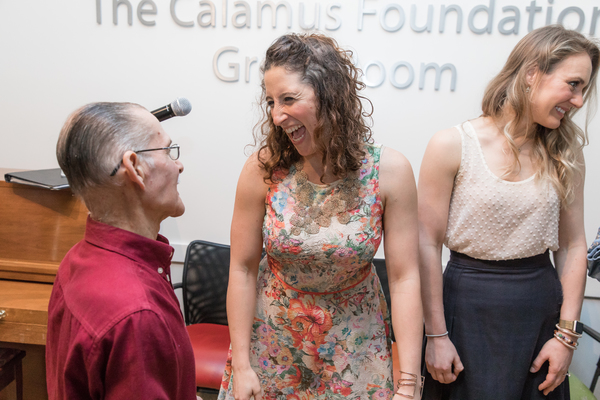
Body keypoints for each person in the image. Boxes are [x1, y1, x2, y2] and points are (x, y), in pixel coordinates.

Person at [218, 33, 423, 400]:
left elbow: (405, 278)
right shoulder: (264, 170)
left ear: (329, 96)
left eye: (289, 99)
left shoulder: (389, 172)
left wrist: (408, 384)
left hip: (356, 347)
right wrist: (243, 366)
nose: (277, 116)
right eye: (271, 102)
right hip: (274, 342)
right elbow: (242, 269)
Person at [418, 25, 599, 400]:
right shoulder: (452, 144)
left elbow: (573, 246)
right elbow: (425, 244)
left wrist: (566, 337)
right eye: (573, 84)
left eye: (584, 89)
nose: (579, 101)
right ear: (532, 73)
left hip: (539, 315)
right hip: (464, 311)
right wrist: (436, 336)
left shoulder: (565, 154)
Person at [46, 102, 197, 400]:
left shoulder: (78, 259)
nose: (179, 165)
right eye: (168, 151)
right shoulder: (137, 312)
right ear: (135, 168)